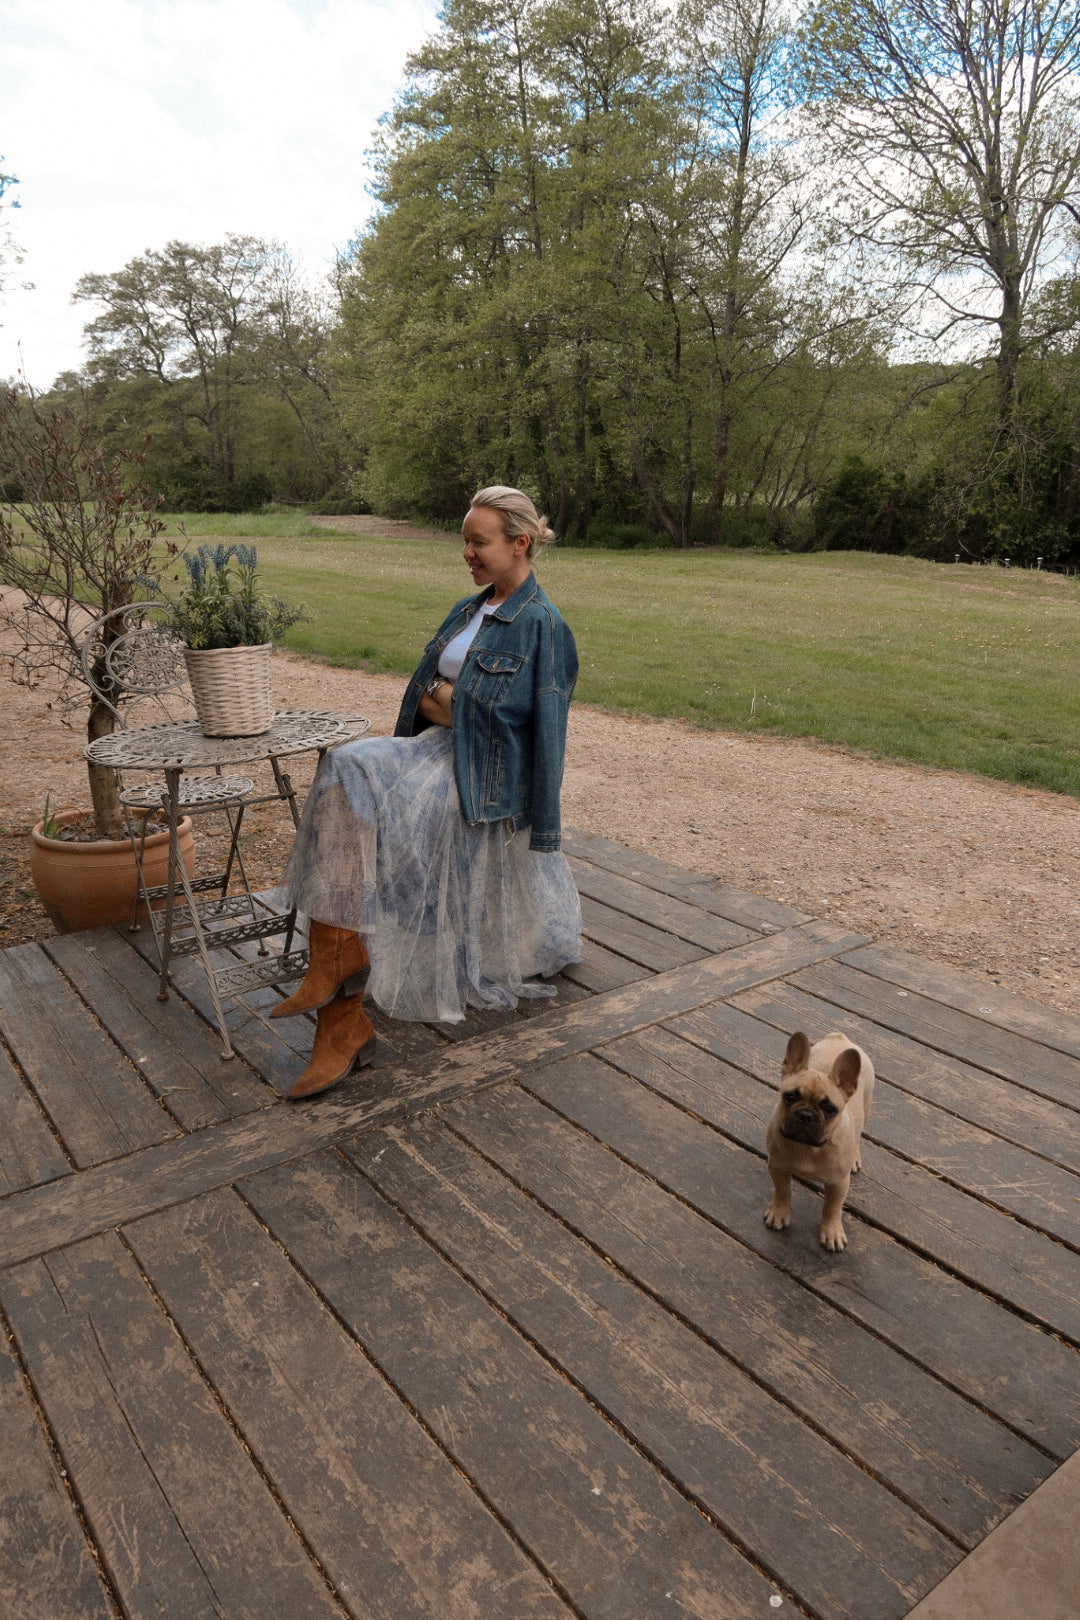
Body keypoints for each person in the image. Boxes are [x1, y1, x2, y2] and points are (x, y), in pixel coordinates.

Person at [273, 485, 582, 1099]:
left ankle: (340, 1013)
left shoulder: (544, 628)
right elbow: (423, 695)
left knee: (359, 787)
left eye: (478, 541)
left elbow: (534, 729)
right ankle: (336, 963)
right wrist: (448, 703)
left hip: (482, 777)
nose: (466, 551)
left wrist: (536, 820)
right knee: (343, 766)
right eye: (464, 540)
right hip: (432, 754)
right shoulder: (467, 611)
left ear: (520, 543)